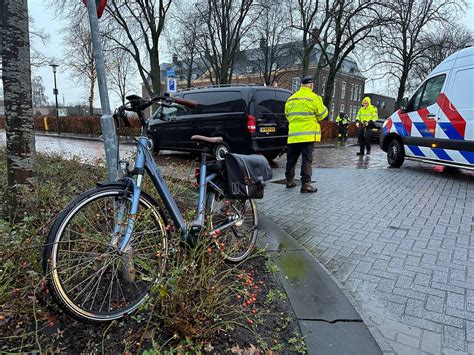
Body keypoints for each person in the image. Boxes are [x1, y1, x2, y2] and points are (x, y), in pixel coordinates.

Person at [284, 76, 328, 193]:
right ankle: (306, 184)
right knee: (306, 160)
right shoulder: (314, 98)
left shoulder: (291, 99)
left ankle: (289, 180)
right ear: (311, 85)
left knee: (291, 159)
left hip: (293, 135)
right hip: (307, 135)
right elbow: (322, 114)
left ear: (301, 85)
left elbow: (287, 115)